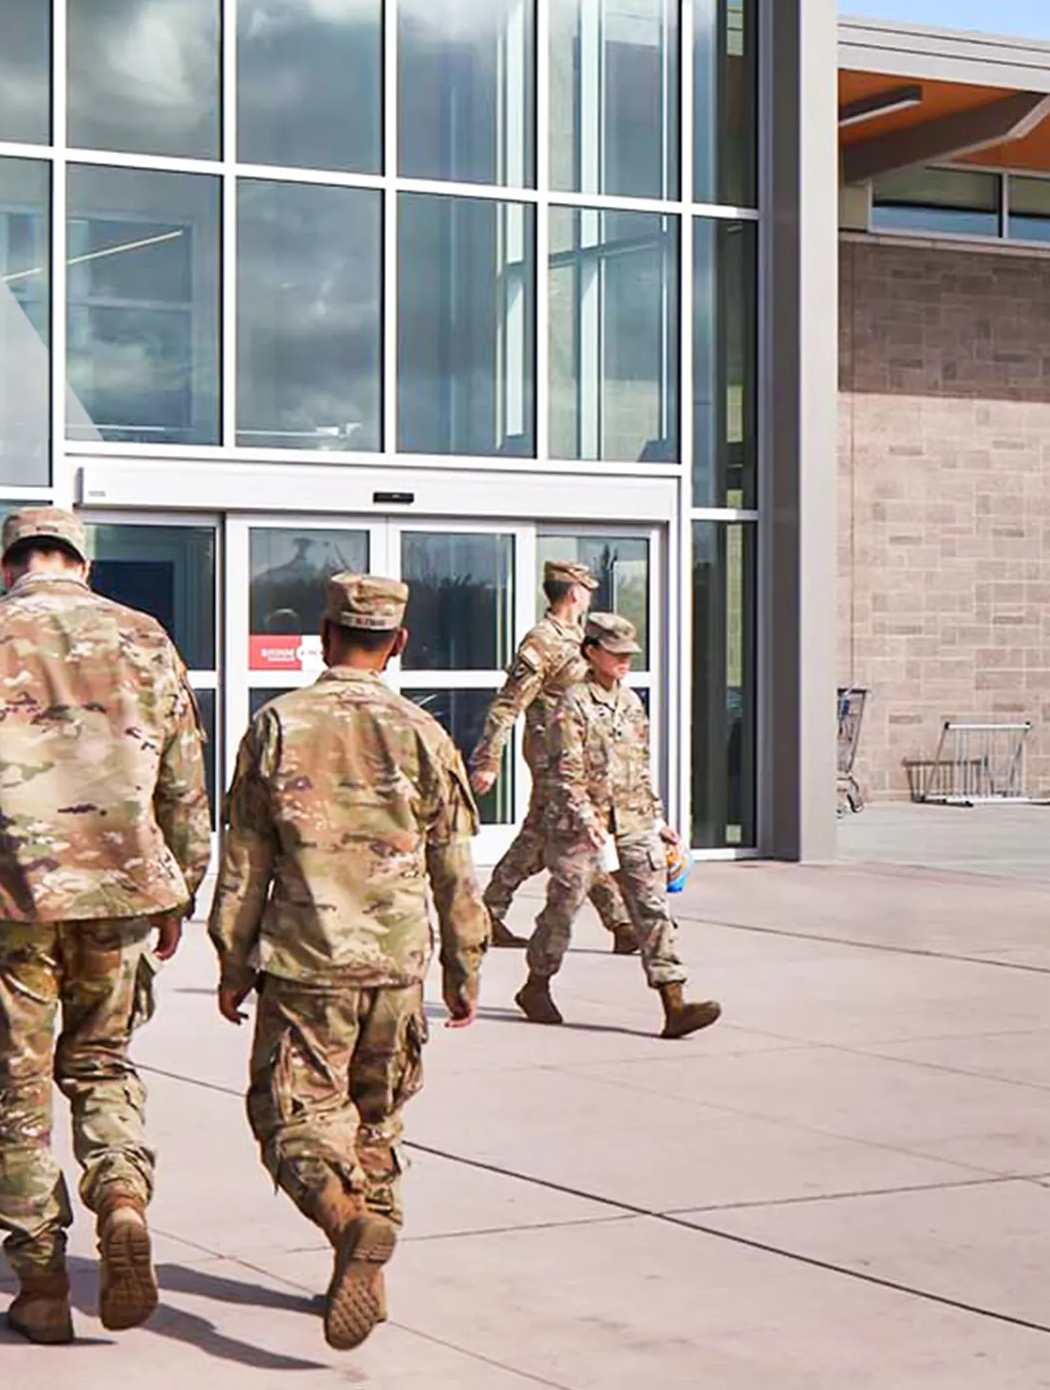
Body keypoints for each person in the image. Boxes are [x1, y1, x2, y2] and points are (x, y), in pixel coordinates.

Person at [0, 506, 212, 1345]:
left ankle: (41, 1281)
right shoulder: (145, 637)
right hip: (122, 898)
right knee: (103, 1063)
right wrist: (181, 889)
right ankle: (121, 1196)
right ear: (81, 564)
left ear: (8, 566)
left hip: (10, 903)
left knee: (15, 1088)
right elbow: (184, 777)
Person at [209, 571, 487, 1352]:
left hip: (306, 965)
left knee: (288, 1119)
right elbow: (456, 871)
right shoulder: (425, 735)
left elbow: (245, 862)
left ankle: (348, 1224)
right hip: (397, 969)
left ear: (325, 637)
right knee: (376, 1121)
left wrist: (232, 960)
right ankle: (366, 1262)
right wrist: (465, 969)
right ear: (397, 644)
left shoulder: (278, 725)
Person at [514, 612, 718, 1040]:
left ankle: (674, 1003)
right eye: (616, 653)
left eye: (629, 654)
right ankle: (536, 986)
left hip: (632, 820)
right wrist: (587, 819)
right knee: (562, 910)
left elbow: (638, 768)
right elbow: (565, 772)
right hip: (581, 825)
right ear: (591, 652)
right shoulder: (572, 703)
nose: (625, 661)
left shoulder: (630, 702)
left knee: (652, 908)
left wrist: (658, 818)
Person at [473, 557, 632, 955]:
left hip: (579, 758)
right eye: (587, 589)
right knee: (580, 836)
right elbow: (508, 704)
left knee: (541, 837)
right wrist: (488, 759)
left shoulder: (580, 638)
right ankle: (622, 924)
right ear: (575, 592)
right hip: (553, 761)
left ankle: (489, 913)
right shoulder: (542, 640)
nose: (589, 596)